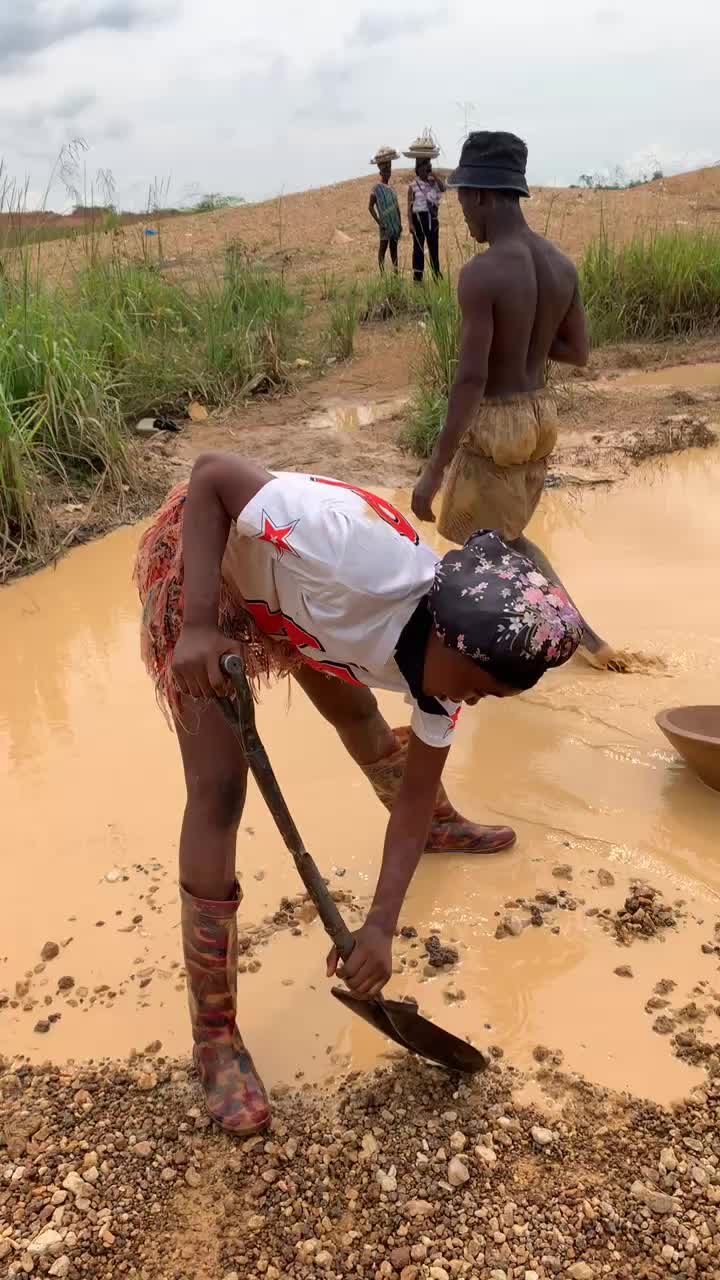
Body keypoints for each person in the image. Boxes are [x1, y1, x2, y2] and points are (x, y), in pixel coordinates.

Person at [134, 456, 582, 1135]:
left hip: (290, 601)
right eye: (478, 687)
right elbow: (213, 476)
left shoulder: (445, 668)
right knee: (219, 790)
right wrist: (197, 623)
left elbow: (414, 793)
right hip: (206, 562)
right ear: (449, 637)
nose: (471, 701)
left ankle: (443, 831)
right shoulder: (347, 556)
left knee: (357, 712)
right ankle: (214, 1038)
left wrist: (379, 927)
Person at [411, 130, 616, 669]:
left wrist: (432, 472)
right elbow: (578, 351)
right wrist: (526, 337)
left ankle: (524, 653)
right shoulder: (560, 265)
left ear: (481, 194)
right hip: (540, 416)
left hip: (498, 425)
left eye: (463, 202)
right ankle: (584, 641)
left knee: (480, 548)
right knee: (504, 541)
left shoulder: (482, 274)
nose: (463, 216)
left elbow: (470, 380)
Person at [408, 158, 445, 282]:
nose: (427, 168)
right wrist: (411, 223)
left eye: (428, 165)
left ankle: (436, 275)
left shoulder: (433, 183)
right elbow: (409, 207)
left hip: (432, 218)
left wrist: (434, 175)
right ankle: (418, 278)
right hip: (418, 218)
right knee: (418, 249)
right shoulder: (413, 185)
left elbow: (443, 188)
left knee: (434, 247)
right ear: (418, 168)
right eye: (424, 165)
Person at [369, 149, 402, 273]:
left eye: (389, 170)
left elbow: (397, 207)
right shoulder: (376, 189)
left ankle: (396, 273)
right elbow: (370, 207)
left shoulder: (392, 189)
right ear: (380, 172)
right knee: (383, 248)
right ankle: (383, 275)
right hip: (384, 225)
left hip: (394, 224)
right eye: (385, 170)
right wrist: (379, 222)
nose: (388, 173)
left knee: (394, 249)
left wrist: (399, 223)